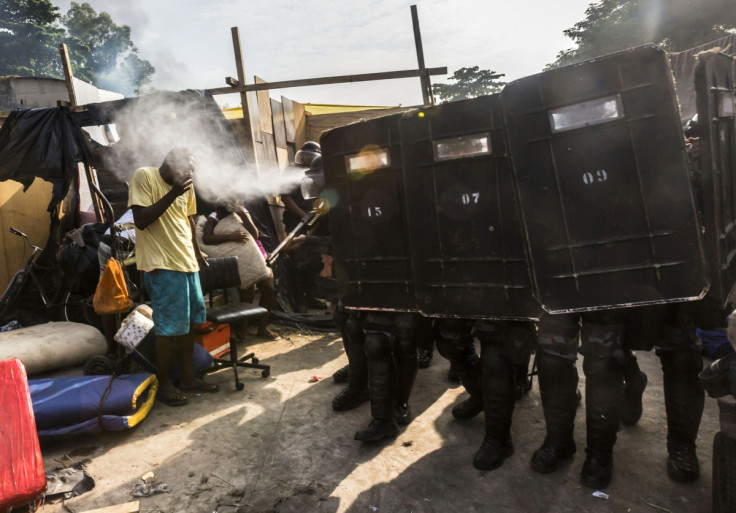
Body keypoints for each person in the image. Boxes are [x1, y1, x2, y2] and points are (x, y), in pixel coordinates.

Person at [128, 147, 217, 407]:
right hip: (162, 265)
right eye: (186, 168)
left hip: (187, 263)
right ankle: (164, 382)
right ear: (169, 164)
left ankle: (188, 377)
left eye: (193, 169)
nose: (190, 173)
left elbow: (187, 219)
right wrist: (174, 192)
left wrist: (198, 253)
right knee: (167, 330)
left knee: (189, 325)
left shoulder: (185, 186)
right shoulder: (144, 176)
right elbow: (141, 220)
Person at [198, 198, 279, 340]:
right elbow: (207, 239)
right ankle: (243, 329)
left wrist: (242, 214)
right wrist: (231, 236)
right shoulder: (214, 217)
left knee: (269, 289)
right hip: (241, 260)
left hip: (257, 255)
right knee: (247, 294)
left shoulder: (242, 213)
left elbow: (254, 235)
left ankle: (263, 327)